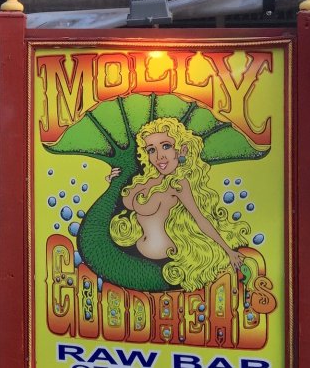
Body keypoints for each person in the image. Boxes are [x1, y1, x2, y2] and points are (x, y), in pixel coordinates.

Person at [106, 117, 251, 291]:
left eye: (165, 146)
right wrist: (112, 182)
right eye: (152, 149)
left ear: (181, 149)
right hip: (132, 251)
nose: (159, 156)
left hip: (164, 265)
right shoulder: (148, 179)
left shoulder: (179, 183)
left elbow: (200, 219)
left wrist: (229, 251)